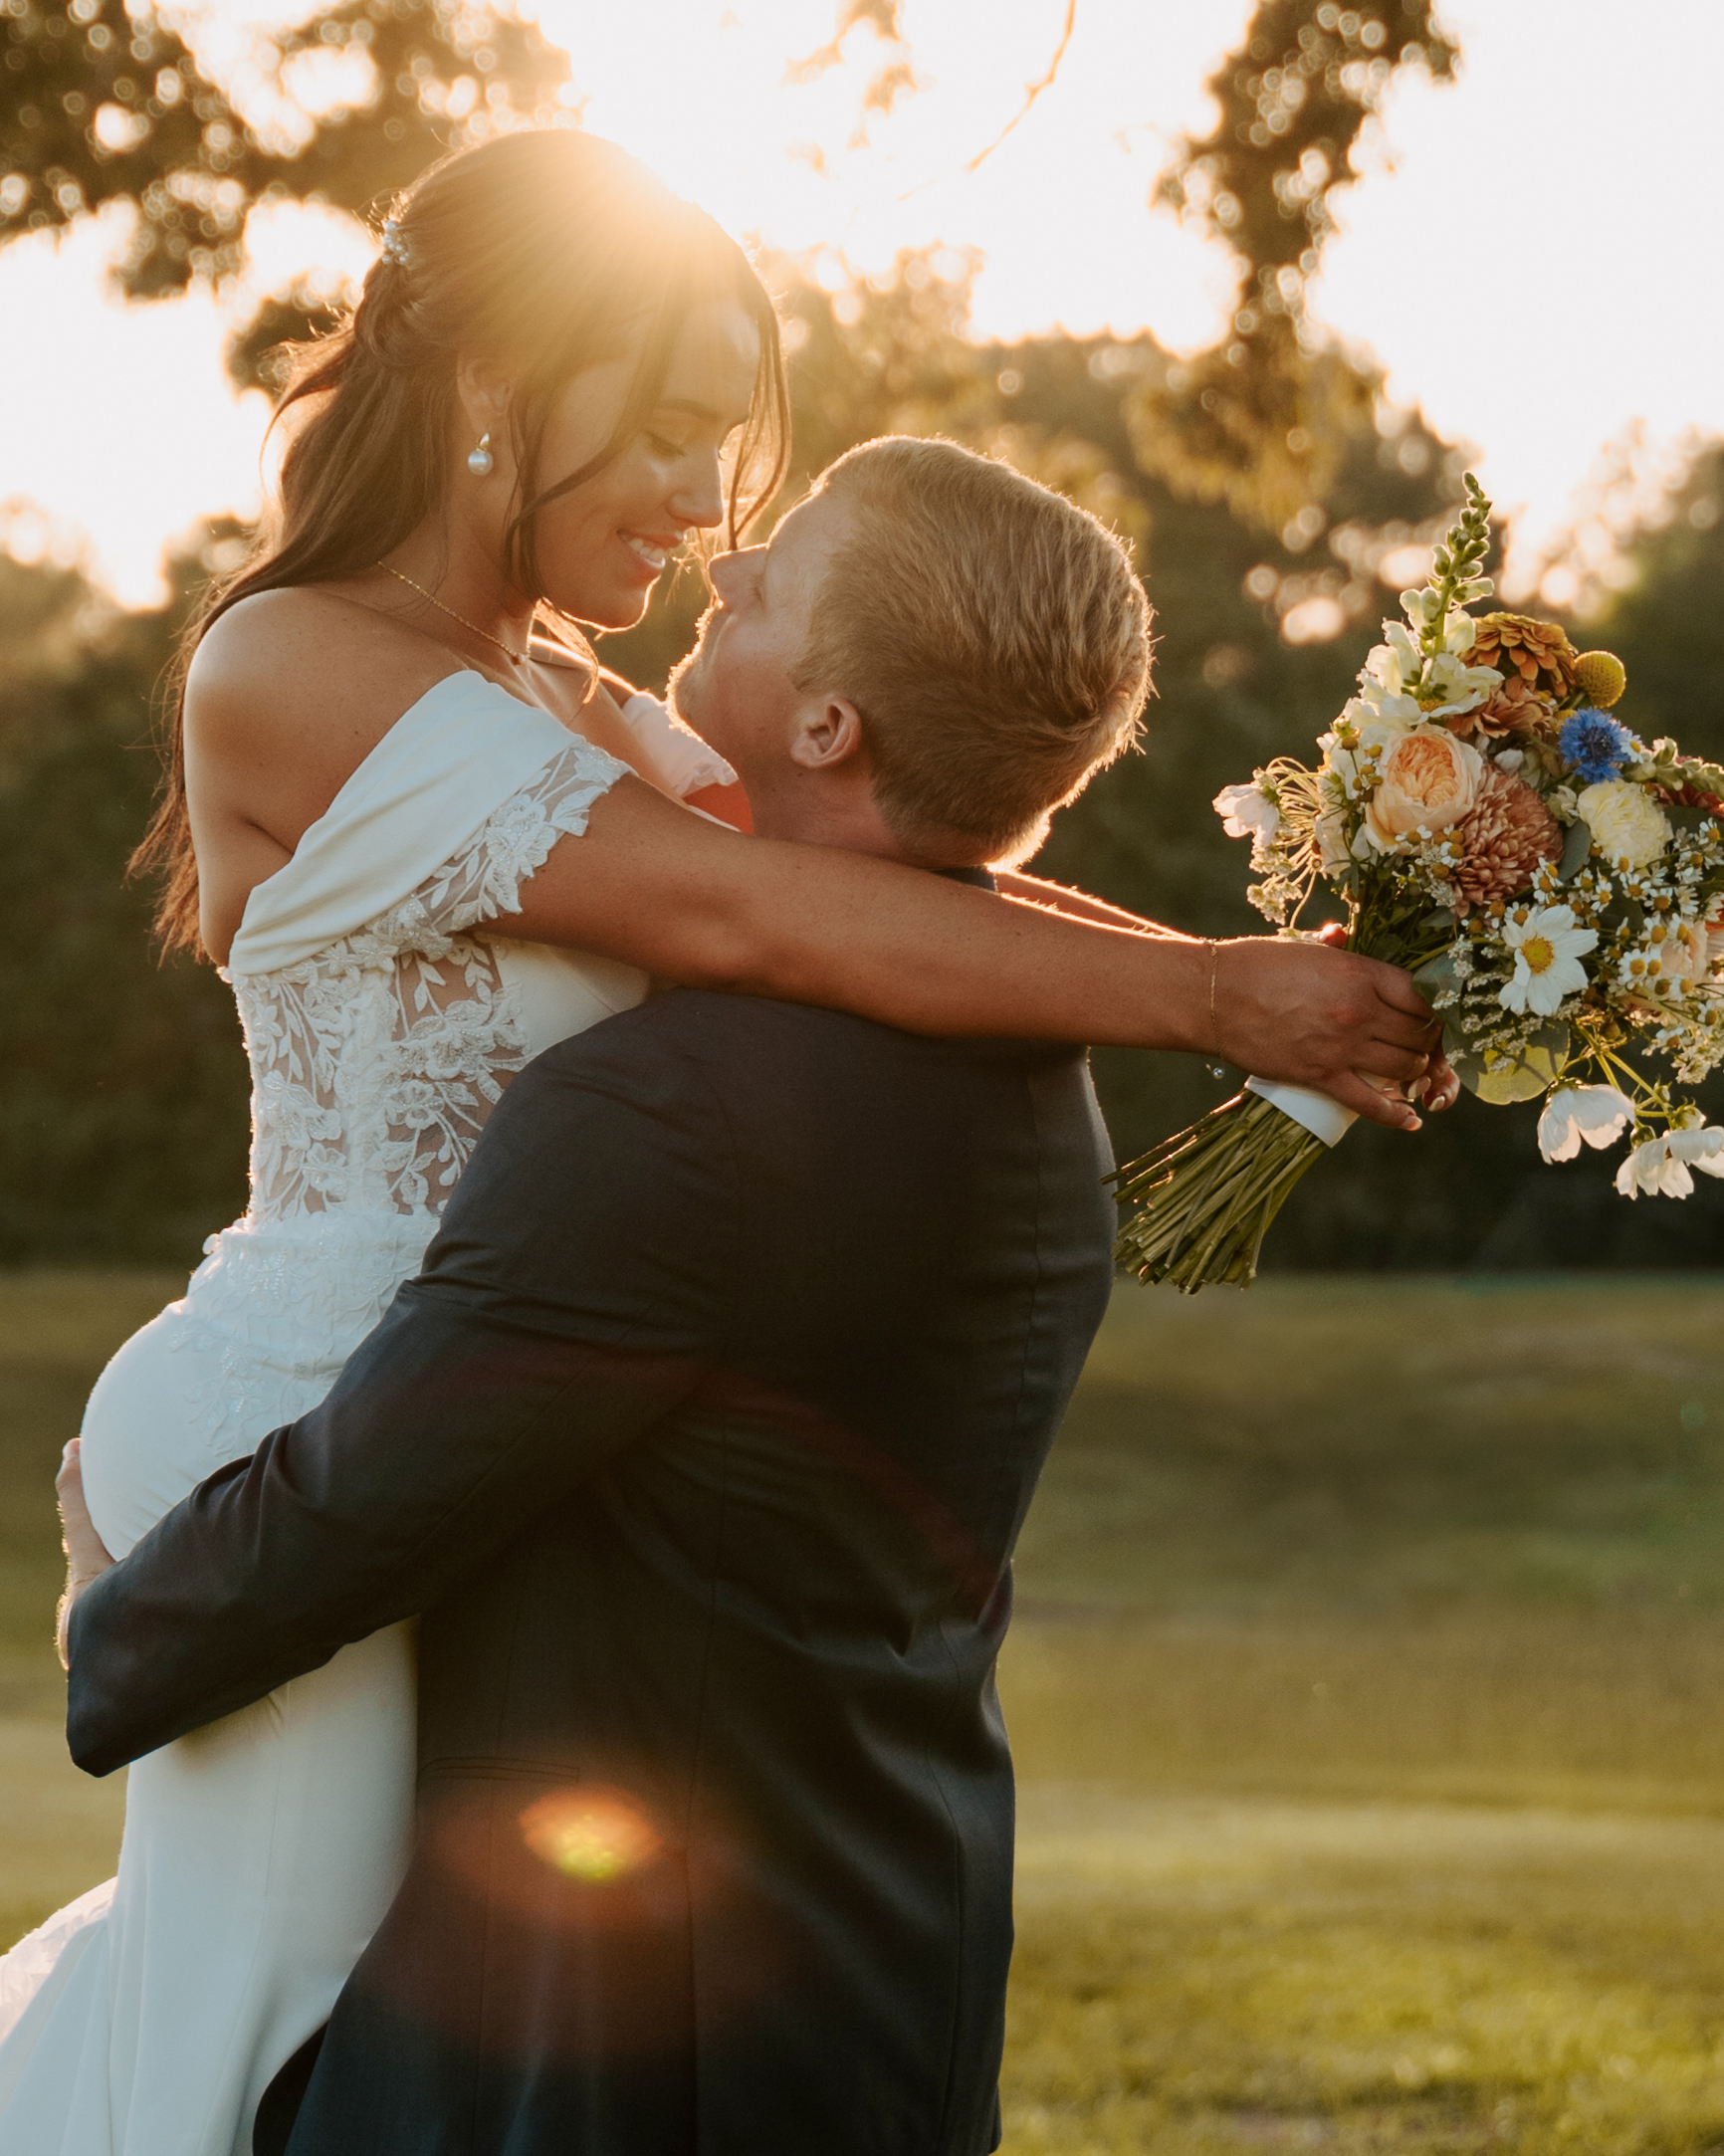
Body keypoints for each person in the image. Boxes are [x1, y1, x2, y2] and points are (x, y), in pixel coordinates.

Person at [3, 127, 1439, 2156]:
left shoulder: (564, 698)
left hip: (434, 1444)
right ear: (503, 387)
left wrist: (1254, 967)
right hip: (290, 1418)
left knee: (350, 2045)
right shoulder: (295, 660)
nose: (703, 506)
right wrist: (1216, 1000)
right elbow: (749, 916)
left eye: (722, 451)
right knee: (250, 2040)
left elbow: (897, 880)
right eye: (670, 436)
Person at [64, 434, 1161, 2153]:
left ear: (828, 728)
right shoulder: (1037, 1070)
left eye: (777, 574)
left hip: (626, 2038)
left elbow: (382, 1490)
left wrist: (114, 1611)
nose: (726, 568)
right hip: (889, 1965)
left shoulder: (675, 1103)